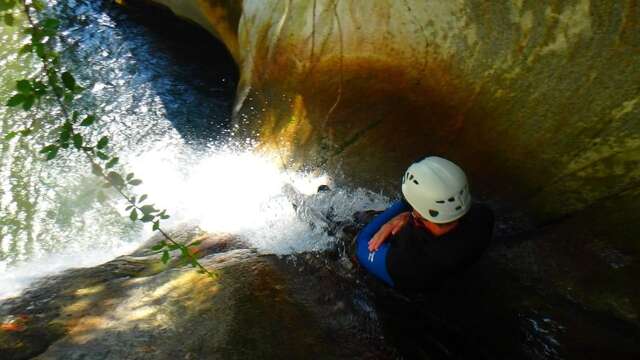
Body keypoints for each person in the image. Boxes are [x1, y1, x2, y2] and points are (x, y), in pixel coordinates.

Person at [354, 156, 494, 291]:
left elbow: (362, 244)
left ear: (420, 214)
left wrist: (393, 220)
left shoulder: (405, 260)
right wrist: (411, 215)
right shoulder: (483, 216)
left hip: (413, 282)